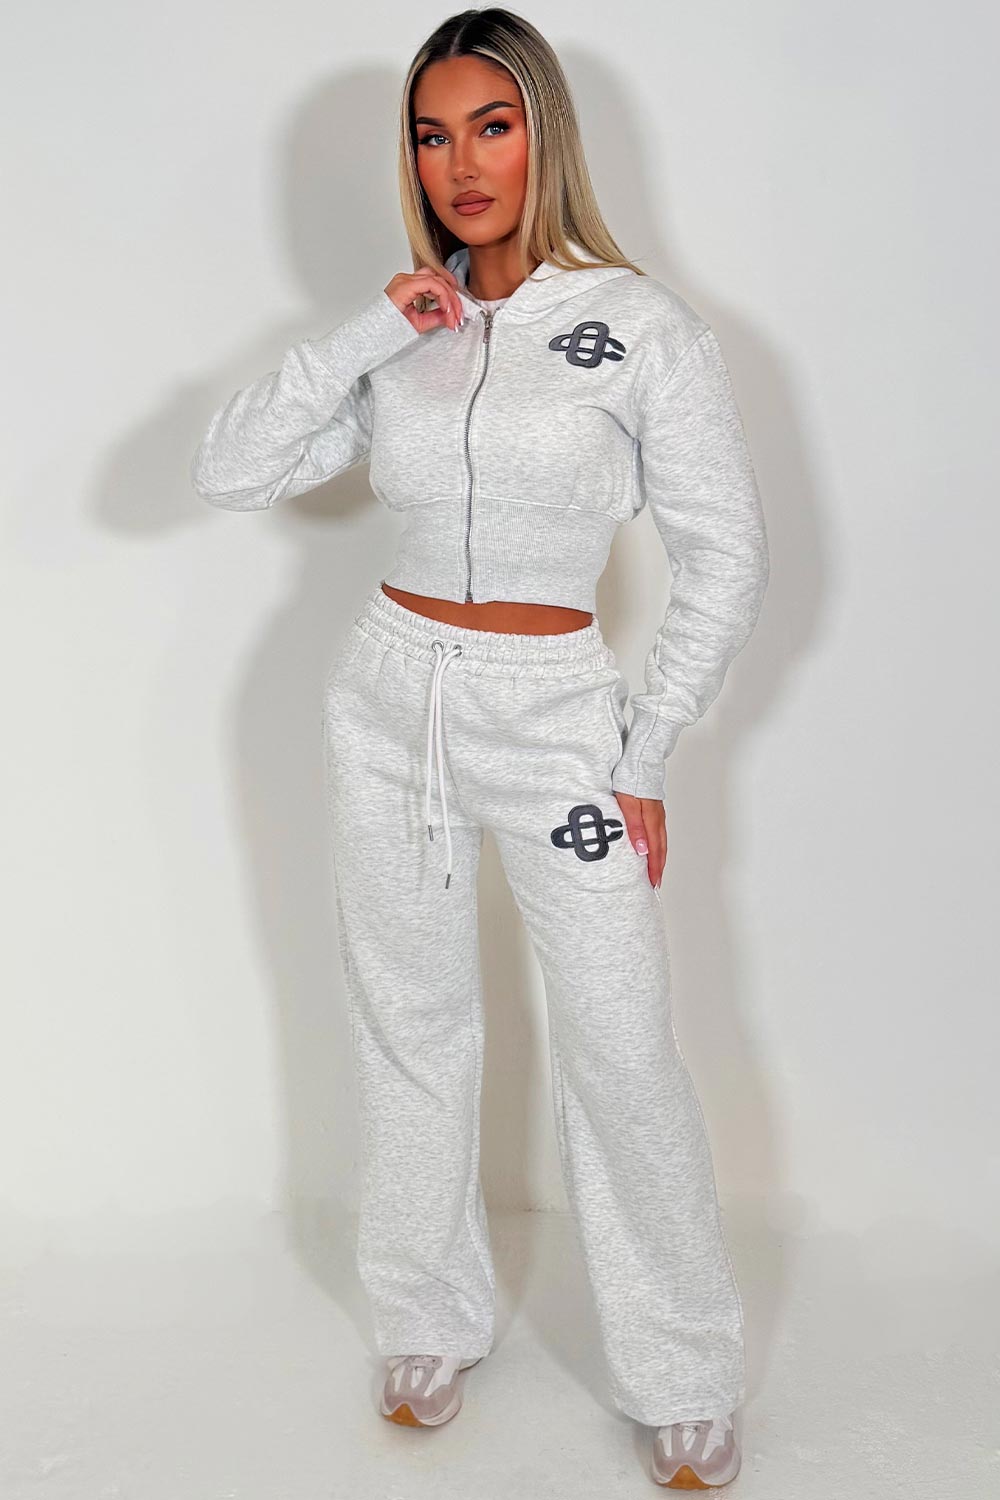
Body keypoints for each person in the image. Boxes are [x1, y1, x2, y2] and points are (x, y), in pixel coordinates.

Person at [190, 7, 769, 1490]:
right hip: (391, 701)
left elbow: (724, 556)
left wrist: (645, 754)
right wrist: (376, 326)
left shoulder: (640, 328)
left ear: (544, 137)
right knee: (411, 1018)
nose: (461, 164)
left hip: (559, 712)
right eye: (432, 135)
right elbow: (235, 465)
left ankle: (683, 1364)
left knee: (619, 1045)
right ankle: (427, 1316)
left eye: (491, 128)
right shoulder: (412, 333)